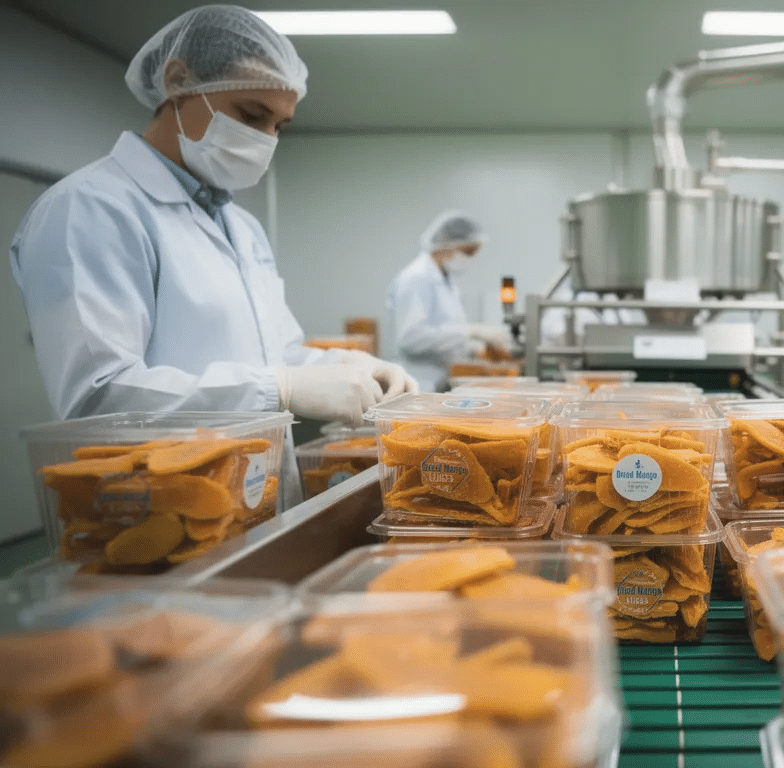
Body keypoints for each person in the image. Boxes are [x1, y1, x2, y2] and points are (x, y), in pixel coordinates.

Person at [9, 5, 415, 510]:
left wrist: (349, 365)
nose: (266, 139)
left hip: (249, 500)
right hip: (151, 514)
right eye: (251, 115)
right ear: (178, 81)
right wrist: (280, 388)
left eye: (280, 126)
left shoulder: (239, 225)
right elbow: (98, 399)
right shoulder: (88, 209)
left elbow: (276, 353)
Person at [387, 210, 513, 392]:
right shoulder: (417, 278)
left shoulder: (446, 281)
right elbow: (410, 338)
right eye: (468, 251)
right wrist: (471, 331)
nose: (471, 259)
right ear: (445, 241)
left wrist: (474, 350)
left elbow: (445, 333)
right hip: (419, 383)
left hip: (440, 382)